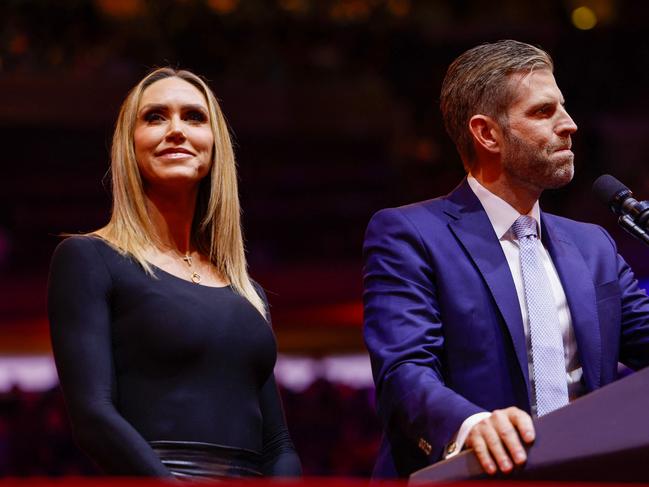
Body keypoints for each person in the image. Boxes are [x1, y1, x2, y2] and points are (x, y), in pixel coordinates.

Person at [363, 39, 649, 478]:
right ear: (487, 133)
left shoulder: (593, 246)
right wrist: (472, 425)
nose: (569, 124)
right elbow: (404, 370)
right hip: (473, 472)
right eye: (542, 112)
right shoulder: (410, 235)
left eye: (563, 107)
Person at [48, 67, 302, 479]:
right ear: (128, 145)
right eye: (154, 117)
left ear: (214, 144)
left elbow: (278, 442)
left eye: (194, 117)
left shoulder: (246, 289)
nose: (177, 130)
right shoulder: (88, 259)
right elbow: (94, 417)